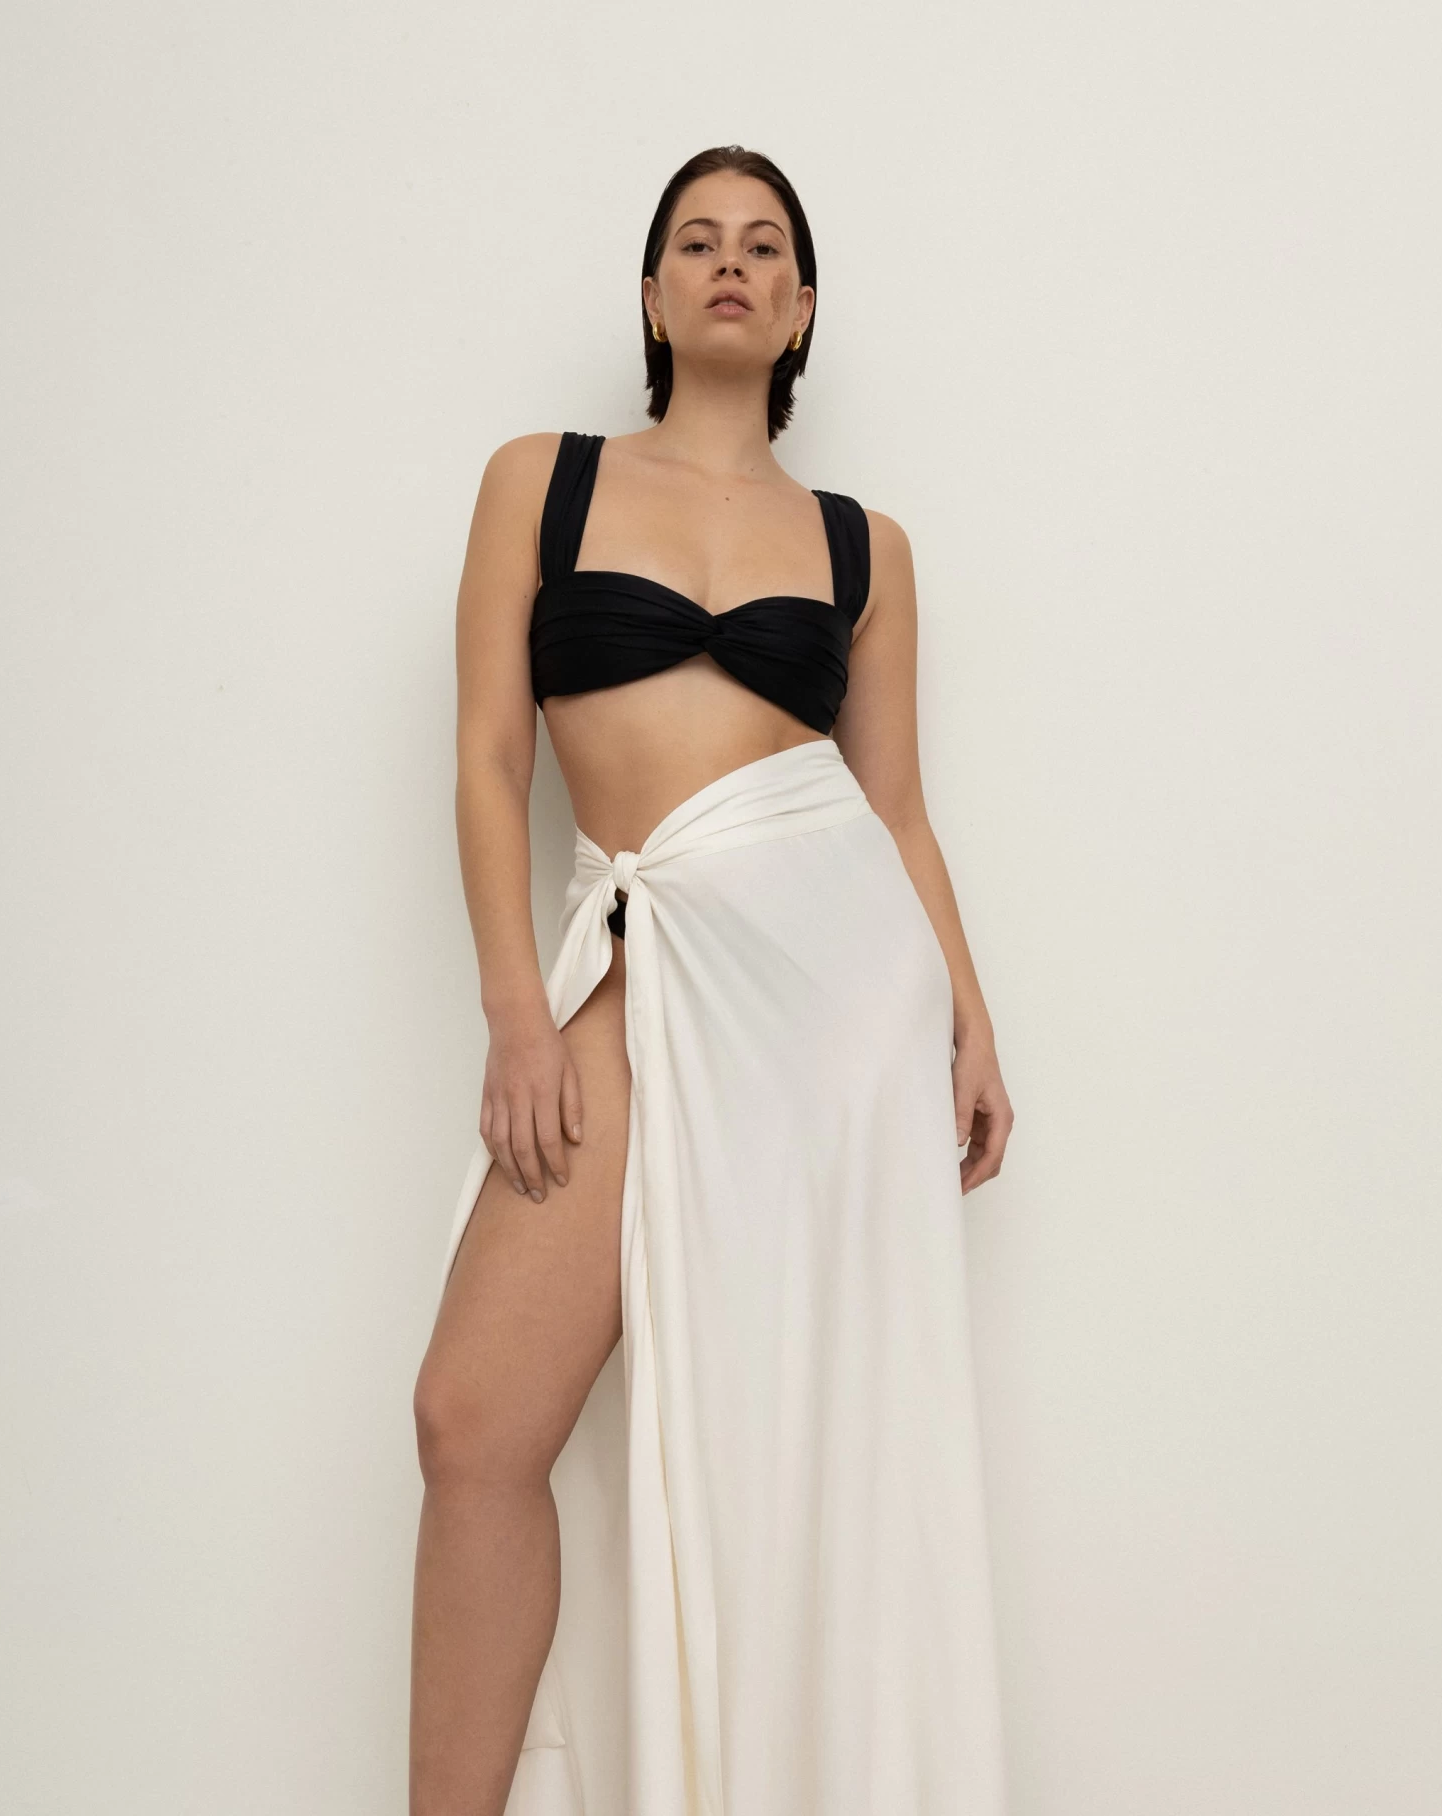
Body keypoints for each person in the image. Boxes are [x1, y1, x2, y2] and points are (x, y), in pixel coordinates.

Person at [409, 143, 1015, 1816]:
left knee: (786, 1445)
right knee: (473, 1422)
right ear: (655, 294)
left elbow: (896, 809)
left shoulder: (864, 544)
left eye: (762, 246)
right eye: (696, 241)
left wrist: (970, 1021)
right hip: (637, 952)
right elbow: (487, 762)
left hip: (839, 1006)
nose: (729, 263)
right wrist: (516, 1012)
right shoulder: (542, 481)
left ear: (802, 308)